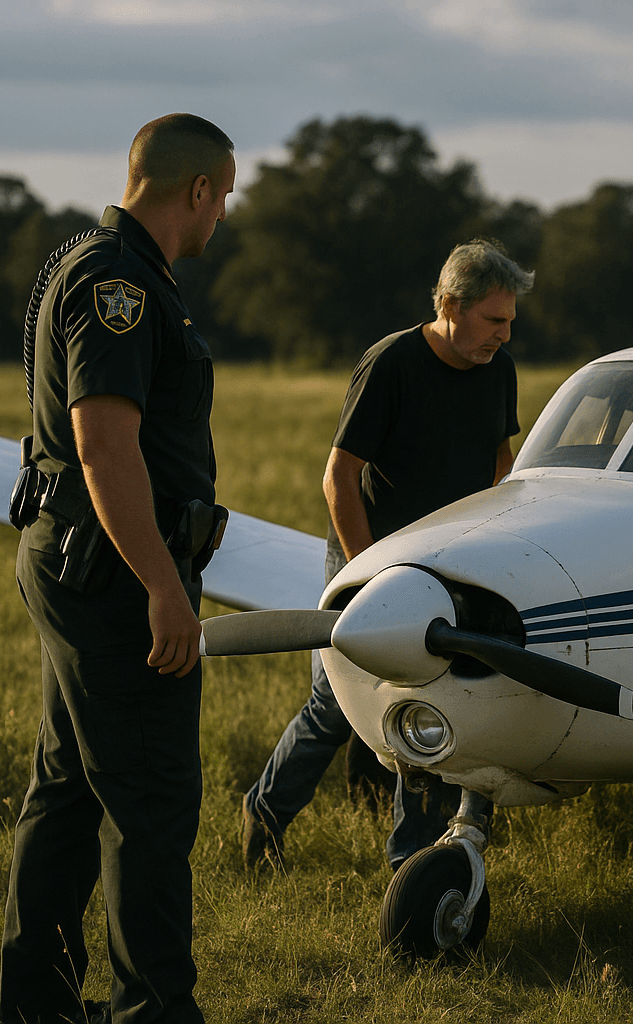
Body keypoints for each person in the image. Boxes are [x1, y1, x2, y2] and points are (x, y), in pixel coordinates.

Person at [0, 113, 234, 1024]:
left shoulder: (100, 263)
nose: (224, 220)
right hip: (115, 578)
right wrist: (163, 589)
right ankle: (155, 1012)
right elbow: (103, 446)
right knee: (153, 803)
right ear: (198, 190)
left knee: (66, 793)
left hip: (79, 564)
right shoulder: (119, 285)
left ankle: (36, 1010)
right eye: (225, 199)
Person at [241, 238, 533, 872]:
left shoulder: (497, 369)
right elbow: (339, 477)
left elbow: (499, 462)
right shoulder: (391, 363)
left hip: (449, 565)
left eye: (510, 321)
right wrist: (367, 572)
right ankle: (262, 817)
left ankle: (411, 861)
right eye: (493, 320)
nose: (504, 336)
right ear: (450, 305)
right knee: (334, 703)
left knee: (428, 694)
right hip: (367, 555)